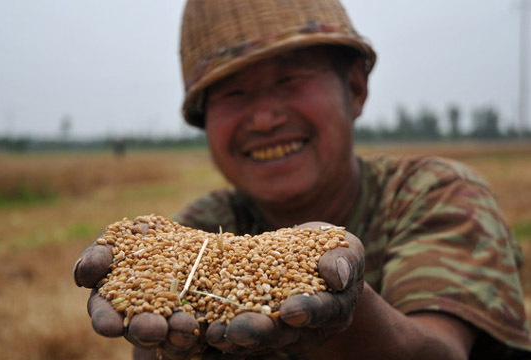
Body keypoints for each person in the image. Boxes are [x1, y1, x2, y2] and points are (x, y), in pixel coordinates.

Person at [73, 0, 531, 359]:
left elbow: (442, 351)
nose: (266, 118)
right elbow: (154, 339)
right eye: (234, 93)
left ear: (354, 89)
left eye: (290, 80)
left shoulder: (435, 194)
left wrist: (346, 315)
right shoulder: (199, 227)